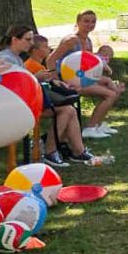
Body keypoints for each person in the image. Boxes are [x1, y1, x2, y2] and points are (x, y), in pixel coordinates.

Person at [50, 9, 123, 139]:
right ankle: (90, 128)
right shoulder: (71, 40)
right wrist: (57, 81)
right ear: (78, 22)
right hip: (70, 81)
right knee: (110, 94)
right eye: (86, 21)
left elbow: (87, 64)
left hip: (81, 77)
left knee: (115, 88)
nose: (90, 24)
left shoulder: (88, 40)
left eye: (93, 22)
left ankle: (98, 124)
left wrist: (103, 67)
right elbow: (51, 59)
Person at [23, 35, 91, 168]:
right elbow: (29, 86)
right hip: (34, 105)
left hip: (43, 102)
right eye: (45, 47)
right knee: (67, 111)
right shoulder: (30, 65)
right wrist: (37, 78)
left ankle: (78, 151)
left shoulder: (39, 65)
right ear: (36, 50)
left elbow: (51, 82)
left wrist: (62, 85)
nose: (49, 49)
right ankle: (51, 150)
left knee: (69, 110)